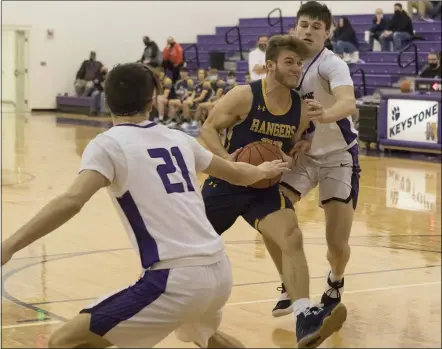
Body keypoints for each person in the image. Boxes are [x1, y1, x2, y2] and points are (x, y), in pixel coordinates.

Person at [1, 63, 291, 348]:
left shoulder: (108, 145)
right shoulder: (179, 139)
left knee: (65, 341)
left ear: (107, 97)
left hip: (176, 279)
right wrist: (264, 170)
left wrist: (10, 245)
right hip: (219, 271)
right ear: (152, 102)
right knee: (207, 337)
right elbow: (239, 173)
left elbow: (71, 201)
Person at [199, 34, 347, 348]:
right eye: (289, 62)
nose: (297, 68)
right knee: (193, 247)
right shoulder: (244, 95)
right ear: (270, 66)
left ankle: (304, 315)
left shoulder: (301, 108)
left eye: (300, 63)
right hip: (226, 184)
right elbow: (208, 128)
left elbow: (289, 143)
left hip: (263, 187)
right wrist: (230, 164)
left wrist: (298, 147)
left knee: (292, 235)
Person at [269, 2, 360, 330]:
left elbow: (348, 102)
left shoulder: (331, 64)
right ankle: (289, 282)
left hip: (339, 158)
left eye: (316, 27)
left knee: (337, 244)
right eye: (303, 25)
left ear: (327, 32)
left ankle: (335, 279)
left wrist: (328, 113)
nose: (308, 31)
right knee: (272, 210)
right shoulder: (285, 65)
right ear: (295, 27)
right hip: (303, 157)